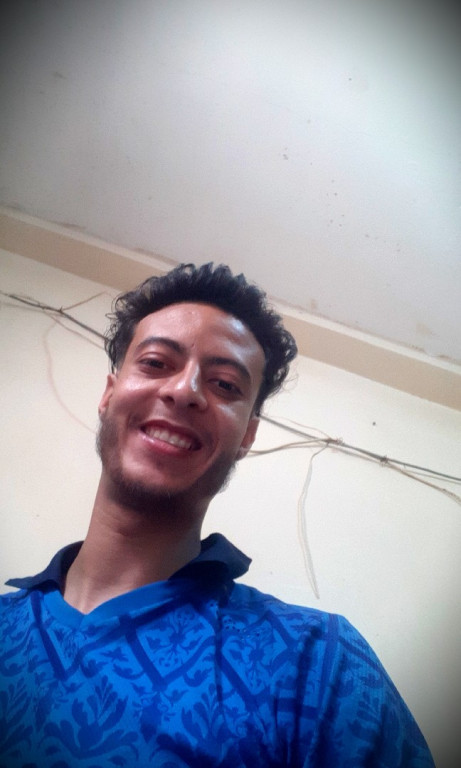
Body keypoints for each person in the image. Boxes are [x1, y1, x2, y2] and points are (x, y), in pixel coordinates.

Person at [0, 263, 434, 767]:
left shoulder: (319, 663)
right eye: (156, 362)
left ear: (247, 435)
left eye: (225, 385)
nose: (185, 390)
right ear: (109, 394)